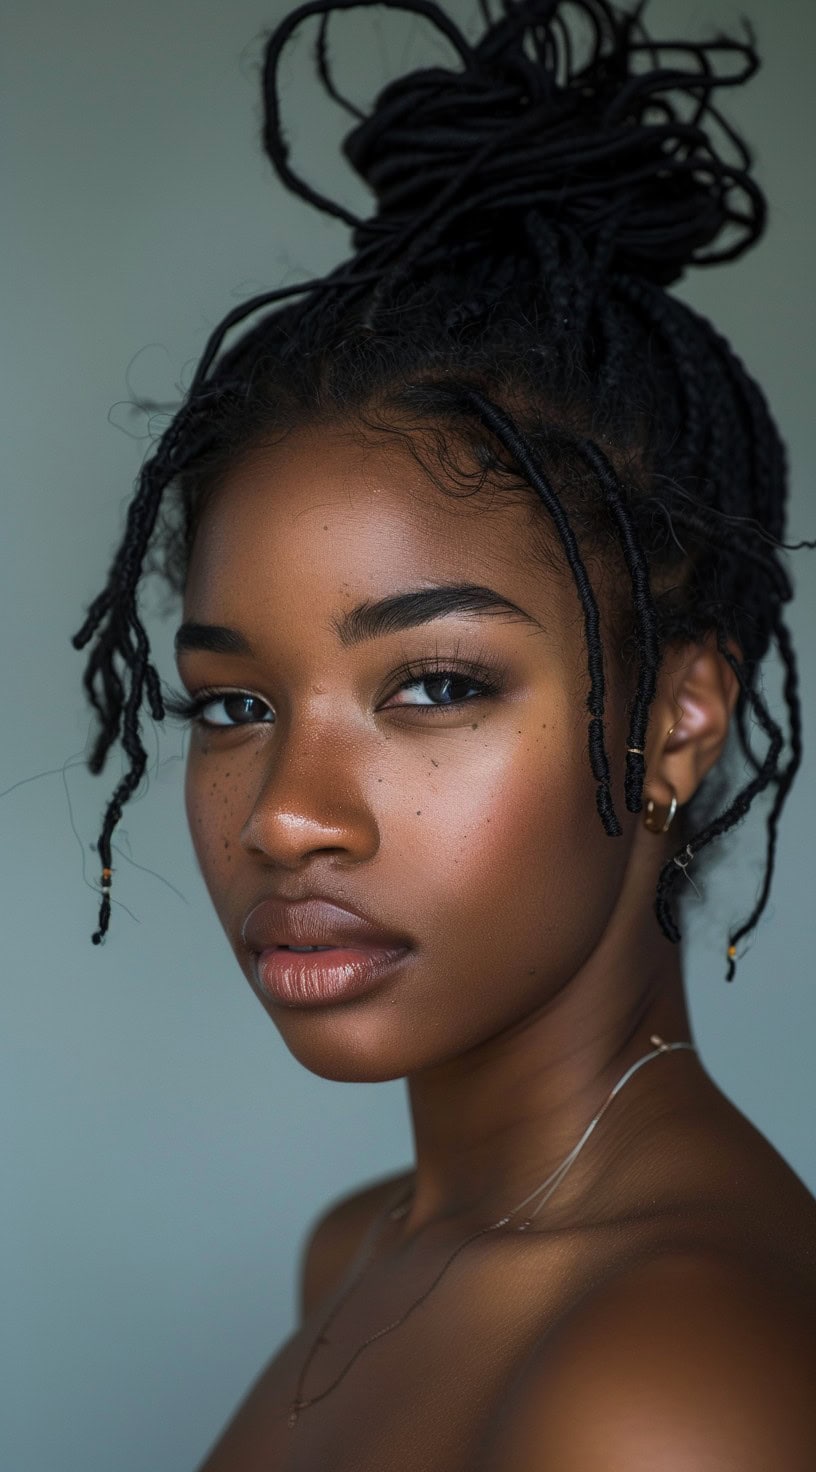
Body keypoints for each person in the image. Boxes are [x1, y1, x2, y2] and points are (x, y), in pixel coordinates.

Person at [73, 0, 816, 1466]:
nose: (286, 815)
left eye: (433, 686)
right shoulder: (359, 1254)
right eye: (235, 704)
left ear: (679, 723)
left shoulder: (670, 1385)